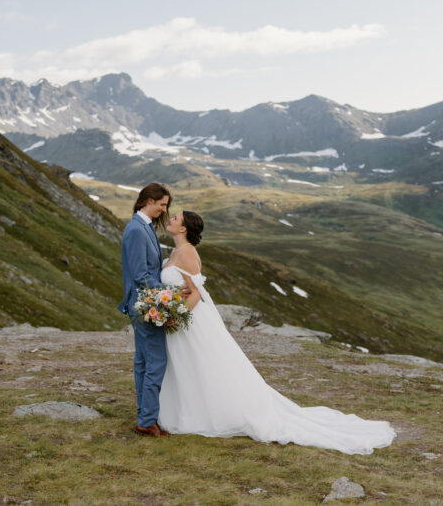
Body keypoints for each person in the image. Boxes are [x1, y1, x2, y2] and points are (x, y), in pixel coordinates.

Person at [157, 210, 396, 455]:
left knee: (202, 364)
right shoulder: (175, 251)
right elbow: (181, 288)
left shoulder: (187, 253)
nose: (171, 219)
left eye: (175, 218)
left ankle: (213, 411)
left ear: (184, 228)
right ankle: (189, 408)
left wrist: (176, 315)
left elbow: (196, 293)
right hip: (181, 317)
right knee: (187, 366)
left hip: (190, 320)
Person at [118, 182, 173, 438]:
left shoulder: (144, 226)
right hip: (144, 305)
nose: (164, 210)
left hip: (143, 302)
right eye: (162, 204)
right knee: (156, 361)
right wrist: (168, 297)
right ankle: (147, 420)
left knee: (143, 361)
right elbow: (141, 275)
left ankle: (145, 417)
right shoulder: (137, 230)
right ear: (148, 200)